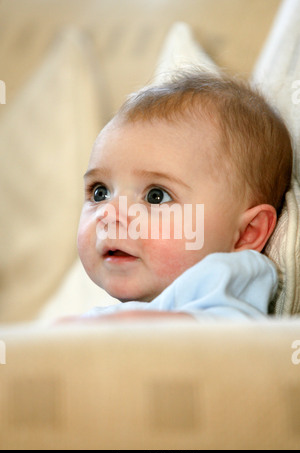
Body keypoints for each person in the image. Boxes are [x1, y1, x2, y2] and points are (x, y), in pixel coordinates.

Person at [76, 70, 293, 322]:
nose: (108, 214)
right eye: (100, 192)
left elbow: (229, 337)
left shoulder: (227, 279)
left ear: (247, 233)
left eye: (156, 196)